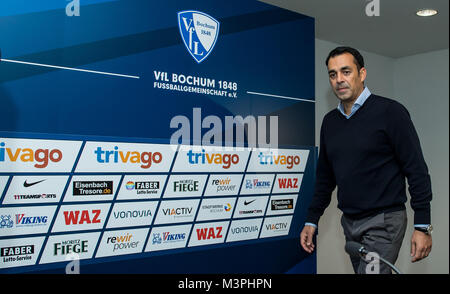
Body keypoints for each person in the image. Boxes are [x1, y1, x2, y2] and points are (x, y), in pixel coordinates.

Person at [300, 46, 433, 274]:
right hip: (349, 223)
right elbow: (325, 177)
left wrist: (422, 225)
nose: (339, 80)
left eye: (346, 71)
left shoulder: (391, 112)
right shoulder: (330, 122)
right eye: (333, 74)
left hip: (384, 221)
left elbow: (416, 169)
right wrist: (312, 219)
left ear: (362, 74)